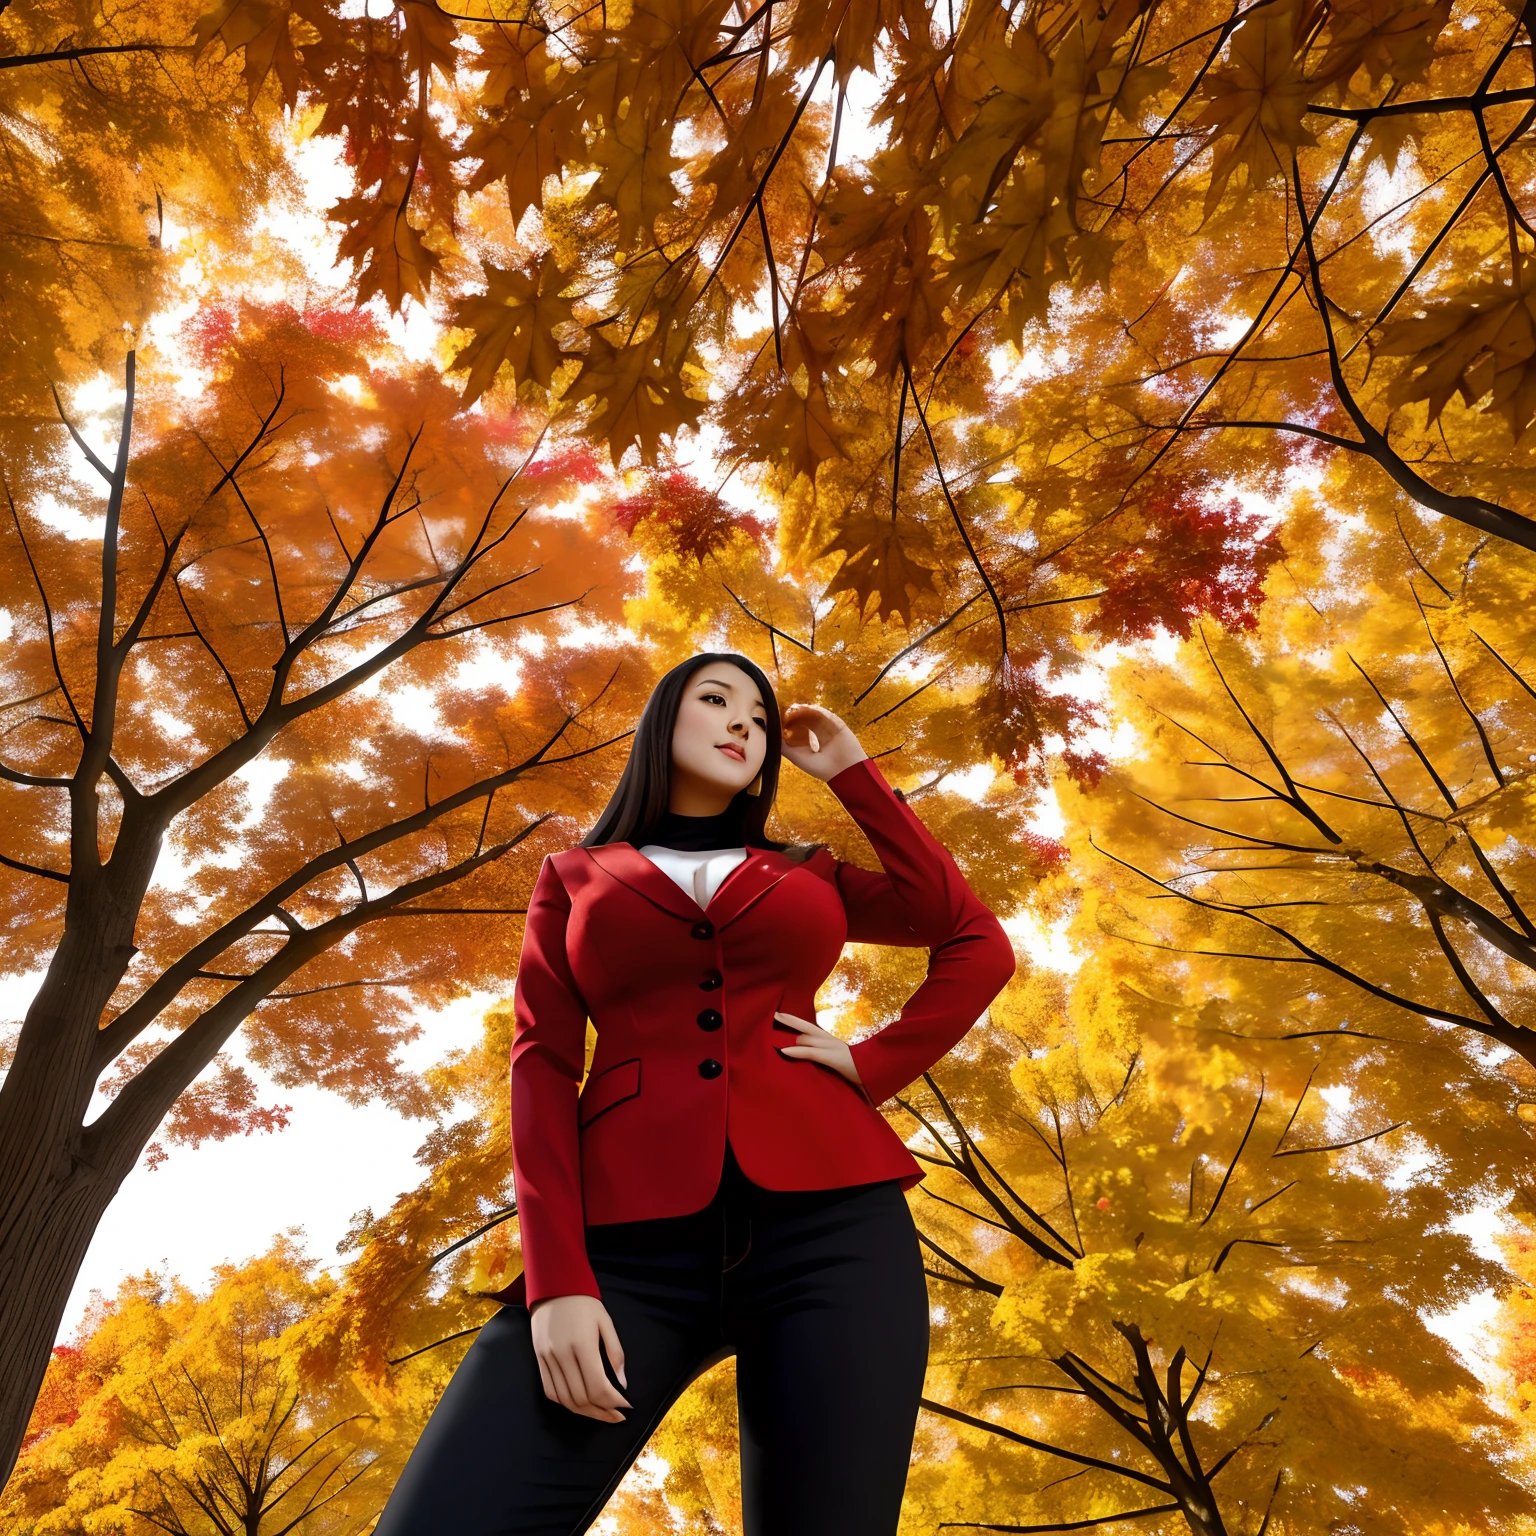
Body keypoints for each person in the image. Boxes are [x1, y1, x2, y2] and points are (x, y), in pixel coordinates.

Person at [374, 651, 1017, 1536]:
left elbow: (969, 934)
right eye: (716, 700)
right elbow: (542, 1067)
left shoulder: (810, 871)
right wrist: (558, 1278)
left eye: (758, 713)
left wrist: (854, 779)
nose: (744, 723)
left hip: (836, 1236)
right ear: (662, 723)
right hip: (622, 1248)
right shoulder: (575, 877)